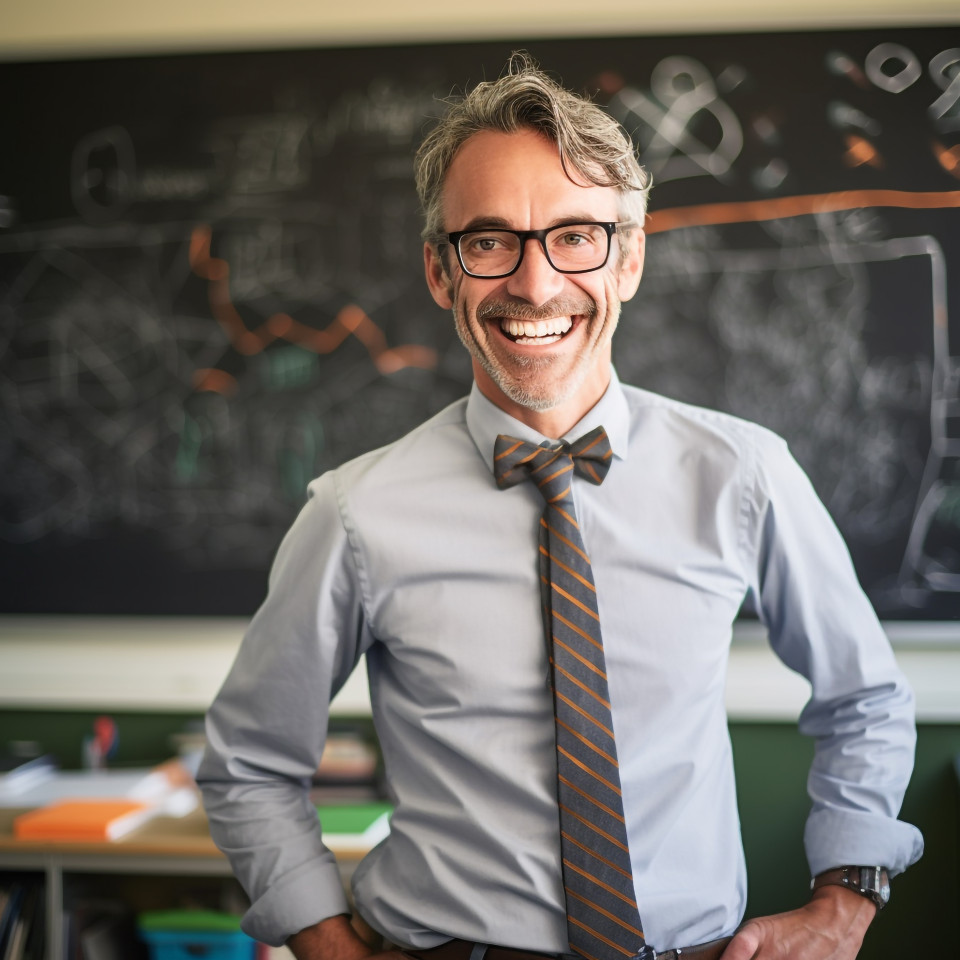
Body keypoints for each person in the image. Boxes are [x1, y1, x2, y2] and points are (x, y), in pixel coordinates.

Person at [198, 53, 923, 960]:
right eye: (489, 242)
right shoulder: (354, 513)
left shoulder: (744, 473)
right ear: (440, 271)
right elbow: (249, 764)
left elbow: (865, 700)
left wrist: (847, 900)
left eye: (576, 236)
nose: (536, 286)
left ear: (630, 259)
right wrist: (324, 943)